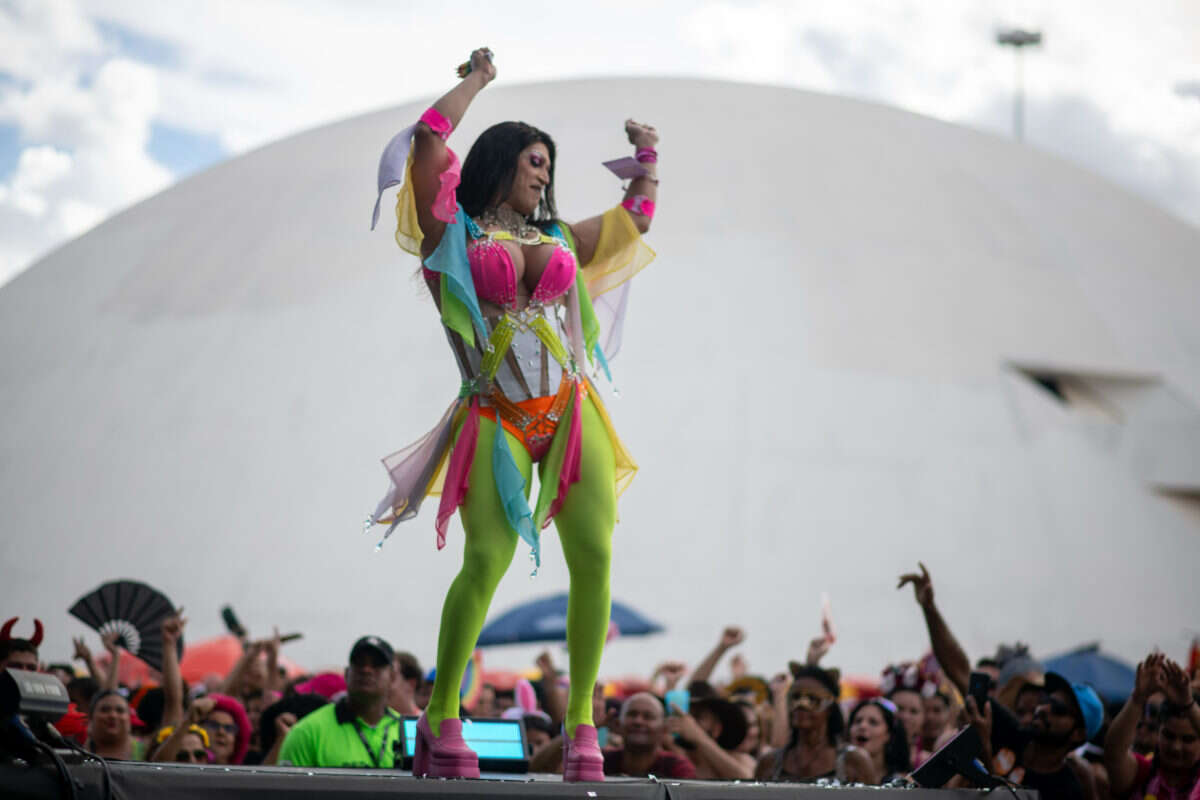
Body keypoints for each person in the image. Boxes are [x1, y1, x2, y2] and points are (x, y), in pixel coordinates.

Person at [365, 46, 658, 783]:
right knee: (486, 561)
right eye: (533, 161)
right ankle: (441, 715)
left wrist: (647, 155)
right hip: (493, 417)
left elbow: (634, 223)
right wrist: (477, 80)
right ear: (499, 163)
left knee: (596, 559)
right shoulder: (452, 239)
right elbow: (429, 143)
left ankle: (583, 721)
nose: (543, 173)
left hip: (569, 411)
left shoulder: (557, 239)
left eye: (548, 165)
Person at [899, 562, 1101, 799]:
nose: (1043, 708)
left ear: (1077, 734)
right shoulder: (1009, 730)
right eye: (1046, 700)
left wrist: (985, 748)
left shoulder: (1067, 789)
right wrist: (930, 608)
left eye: (1058, 709)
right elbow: (961, 672)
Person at [277, 636, 402, 768]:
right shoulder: (306, 733)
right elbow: (287, 787)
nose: (366, 670)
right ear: (347, 674)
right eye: (359, 663)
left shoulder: (408, 733)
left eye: (377, 664)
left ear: (392, 677)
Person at [1104, 653, 1200, 800]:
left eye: (1188, 740)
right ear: (1159, 731)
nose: (1176, 746)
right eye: (1168, 735)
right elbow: (1114, 751)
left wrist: (1188, 704)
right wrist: (1138, 698)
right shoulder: (1141, 773)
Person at [754, 665, 872, 782]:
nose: (801, 705)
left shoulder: (853, 762)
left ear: (830, 708)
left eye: (813, 699)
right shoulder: (769, 763)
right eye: (795, 697)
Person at [603, 693, 695, 778]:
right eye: (632, 714)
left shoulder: (678, 768)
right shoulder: (601, 761)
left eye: (648, 716)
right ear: (617, 723)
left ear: (664, 728)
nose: (638, 721)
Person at [665, 695, 754, 779]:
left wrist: (697, 735)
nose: (688, 721)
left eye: (698, 716)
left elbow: (746, 779)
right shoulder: (679, 755)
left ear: (717, 729)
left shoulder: (743, 760)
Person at [846, 698, 913, 784]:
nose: (862, 726)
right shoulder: (834, 777)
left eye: (873, 722)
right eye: (858, 721)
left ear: (888, 734)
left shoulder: (902, 783)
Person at [87, 689, 143, 760]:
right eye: (105, 710)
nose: (113, 716)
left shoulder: (147, 752)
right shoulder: (77, 748)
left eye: (120, 710)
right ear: (91, 716)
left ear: (129, 717)